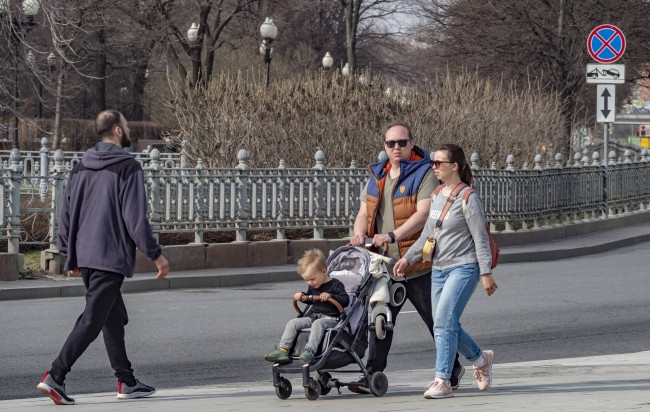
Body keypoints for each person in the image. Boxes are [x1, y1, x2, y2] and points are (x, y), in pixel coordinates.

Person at [37, 110, 170, 405]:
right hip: (110, 256)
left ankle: (126, 380)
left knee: (112, 317)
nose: (127, 127)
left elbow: (66, 214)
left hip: (86, 254)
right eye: (125, 123)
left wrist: (69, 255)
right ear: (118, 131)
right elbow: (135, 218)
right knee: (92, 318)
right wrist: (156, 255)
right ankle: (55, 376)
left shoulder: (79, 167)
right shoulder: (128, 167)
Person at [348, 123, 463, 394]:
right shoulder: (378, 174)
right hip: (385, 265)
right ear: (385, 146)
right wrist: (357, 234)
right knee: (380, 319)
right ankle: (372, 374)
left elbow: (424, 213)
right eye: (391, 144)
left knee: (436, 321)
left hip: (417, 264)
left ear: (412, 143)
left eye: (402, 142)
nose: (396, 148)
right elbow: (364, 212)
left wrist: (391, 235)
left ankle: (453, 366)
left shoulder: (424, 173)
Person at [393, 143, 498, 399]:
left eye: (439, 163)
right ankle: (480, 358)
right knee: (446, 324)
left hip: (464, 267)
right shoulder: (438, 193)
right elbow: (429, 234)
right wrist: (407, 259)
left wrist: (485, 274)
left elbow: (481, 239)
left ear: (455, 166)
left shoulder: (469, 198)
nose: (434, 167)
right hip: (438, 269)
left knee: (442, 323)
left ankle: (443, 380)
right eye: (432, 162)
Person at [264, 248, 350, 364]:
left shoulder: (336, 285)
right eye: (306, 280)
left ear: (324, 271)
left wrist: (330, 296)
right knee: (293, 323)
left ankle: (310, 350)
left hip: (330, 319)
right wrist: (302, 296)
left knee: (317, 324)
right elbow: (310, 299)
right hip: (313, 316)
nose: (310, 283)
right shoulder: (313, 286)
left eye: (312, 279)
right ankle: (283, 349)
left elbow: (345, 300)